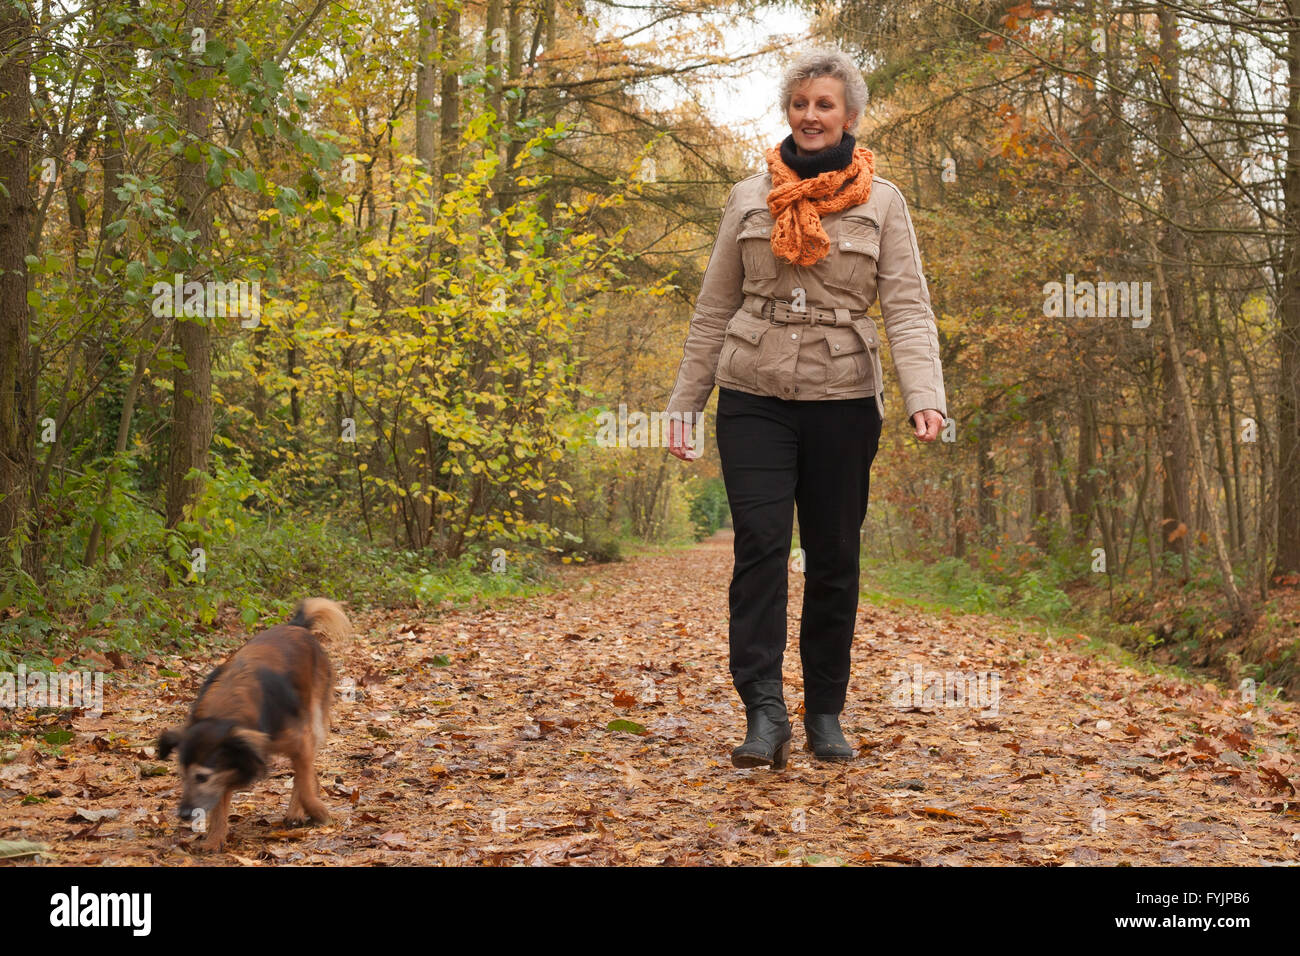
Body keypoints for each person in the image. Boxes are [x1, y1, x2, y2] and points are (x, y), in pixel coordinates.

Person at [664, 47, 948, 768]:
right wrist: (685, 403)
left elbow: (909, 308)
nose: (811, 116)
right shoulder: (748, 195)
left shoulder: (884, 203)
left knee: (833, 558)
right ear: (787, 113)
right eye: (800, 104)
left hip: (843, 398)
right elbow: (713, 307)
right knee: (759, 546)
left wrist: (926, 396)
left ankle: (824, 710)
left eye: (826, 105)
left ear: (849, 116)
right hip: (754, 393)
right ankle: (763, 710)